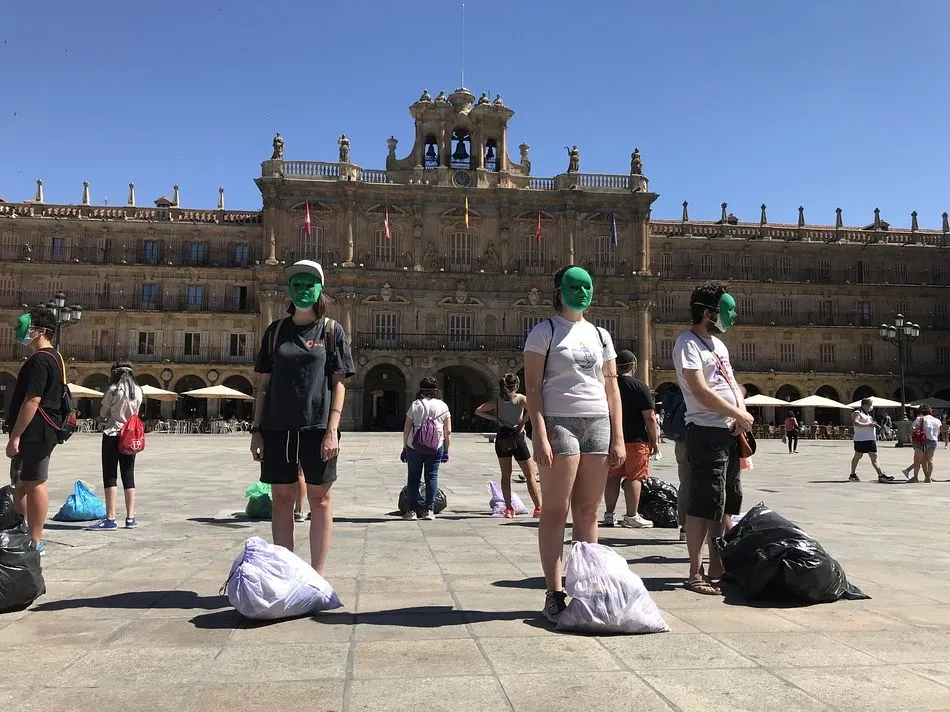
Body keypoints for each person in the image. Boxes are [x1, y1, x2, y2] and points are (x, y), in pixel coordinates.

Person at [524, 265, 624, 623]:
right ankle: (554, 591)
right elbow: (533, 388)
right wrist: (539, 433)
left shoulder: (601, 334)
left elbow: (611, 387)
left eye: (588, 285)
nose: (582, 291)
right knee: (556, 509)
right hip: (559, 422)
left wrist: (619, 436)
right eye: (574, 285)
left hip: (598, 421)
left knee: (588, 510)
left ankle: (586, 587)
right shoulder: (543, 332)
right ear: (559, 290)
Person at [250, 260, 355, 575]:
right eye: (296, 284)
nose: (303, 290)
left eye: (309, 284)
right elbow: (264, 385)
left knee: (320, 499)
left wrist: (333, 429)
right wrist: (256, 429)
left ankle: (317, 575)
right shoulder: (276, 331)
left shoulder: (331, 331)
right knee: (281, 498)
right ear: (288, 290)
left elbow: (339, 382)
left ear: (320, 289)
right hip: (277, 426)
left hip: (317, 426)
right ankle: (286, 572)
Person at [673, 281, 752, 596]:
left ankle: (718, 568)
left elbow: (732, 384)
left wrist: (739, 414)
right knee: (703, 504)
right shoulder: (687, 343)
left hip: (730, 431)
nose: (731, 317)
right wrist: (736, 412)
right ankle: (695, 571)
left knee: (726, 503)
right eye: (726, 311)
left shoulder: (719, 346)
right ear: (707, 313)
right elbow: (700, 391)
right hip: (705, 431)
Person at [3, 308, 64, 555]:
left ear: (40, 330)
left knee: (35, 482)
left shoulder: (41, 360)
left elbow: (32, 400)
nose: (21, 331)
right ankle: (21, 532)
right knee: (21, 483)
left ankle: (35, 540)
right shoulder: (53, 357)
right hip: (39, 428)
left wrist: (15, 436)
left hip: (37, 430)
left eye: (27, 326)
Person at [602, 351, 658, 529]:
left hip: (612, 439)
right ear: (633, 366)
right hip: (636, 440)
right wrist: (654, 440)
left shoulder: (607, 386)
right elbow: (650, 417)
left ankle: (609, 514)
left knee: (612, 477)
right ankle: (631, 515)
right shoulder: (639, 387)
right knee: (635, 477)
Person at [474, 373, 541, 518]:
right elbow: (534, 409)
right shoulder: (520, 398)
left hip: (502, 438)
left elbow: (478, 410)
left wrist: (495, 419)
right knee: (530, 475)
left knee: (506, 475)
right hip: (517, 439)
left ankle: (509, 509)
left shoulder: (497, 400)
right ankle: (538, 508)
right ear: (516, 385)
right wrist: (523, 422)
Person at [87, 360, 144, 530]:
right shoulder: (138, 391)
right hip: (130, 436)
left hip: (112, 434)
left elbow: (103, 413)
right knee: (128, 476)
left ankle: (111, 518)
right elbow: (136, 412)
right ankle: (130, 517)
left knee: (110, 475)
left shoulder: (113, 391)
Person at [401, 376, 451, 520]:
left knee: (413, 477)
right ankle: (429, 510)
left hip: (414, 446)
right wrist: (446, 450)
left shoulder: (415, 405)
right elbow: (448, 431)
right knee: (431, 476)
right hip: (436, 446)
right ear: (436, 390)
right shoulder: (443, 406)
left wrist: (404, 448)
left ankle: (411, 511)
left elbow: (406, 429)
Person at [661, 383, 689, 541]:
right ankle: (704, 529)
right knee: (703, 484)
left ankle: (685, 528)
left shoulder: (680, 391)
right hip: (700, 439)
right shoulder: (700, 388)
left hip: (681, 442)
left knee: (685, 483)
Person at [849, 399, 892, 483]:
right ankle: (880, 476)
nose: (871, 407)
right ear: (865, 405)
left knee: (870, 456)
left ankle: (853, 474)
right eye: (870, 405)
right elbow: (855, 423)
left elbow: (870, 423)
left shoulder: (867, 415)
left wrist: (876, 425)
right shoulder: (857, 413)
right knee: (860, 456)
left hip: (869, 438)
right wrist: (868, 425)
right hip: (862, 439)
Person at [904, 405, 941, 483]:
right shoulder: (937, 420)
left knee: (917, 460)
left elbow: (914, 430)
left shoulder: (921, 419)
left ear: (921, 411)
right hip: (933, 441)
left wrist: (912, 431)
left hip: (923, 441)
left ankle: (915, 478)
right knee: (929, 460)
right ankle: (928, 478)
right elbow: (938, 432)